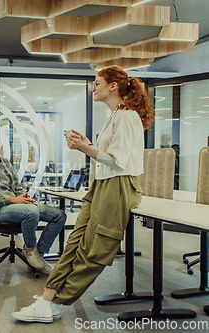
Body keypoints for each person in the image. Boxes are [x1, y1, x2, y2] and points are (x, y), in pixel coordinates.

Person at [12, 65, 154, 323]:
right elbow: (109, 158)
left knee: (94, 251)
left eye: (97, 82)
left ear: (113, 85)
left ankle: (55, 301)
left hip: (118, 186)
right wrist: (86, 145)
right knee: (75, 243)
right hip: (103, 185)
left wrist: (85, 148)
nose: (93, 87)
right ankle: (48, 299)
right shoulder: (114, 116)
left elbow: (118, 161)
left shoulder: (126, 116)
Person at [0, 131, 67, 274]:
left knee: (59, 215)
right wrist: (13, 199)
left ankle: (39, 254)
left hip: (16, 205)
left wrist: (23, 196)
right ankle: (30, 251)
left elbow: (17, 187)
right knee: (31, 211)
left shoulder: (6, 163)